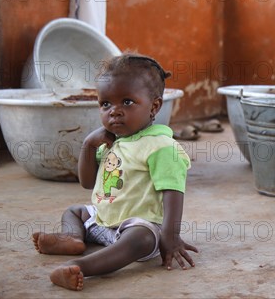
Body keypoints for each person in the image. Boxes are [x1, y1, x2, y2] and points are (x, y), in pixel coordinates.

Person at [32, 53, 198, 291]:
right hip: (103, 222)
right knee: (76, 211)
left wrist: (170, 237)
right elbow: (87, 183)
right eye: (106, 104)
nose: (114, 111)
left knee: (142, 237)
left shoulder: (161, 147)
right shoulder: (114, 142)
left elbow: (173, 191)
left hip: (136, 228)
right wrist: (88, 145)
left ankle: (79, 266)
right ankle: (72, 238)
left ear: (154, 106)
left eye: (127, 102)